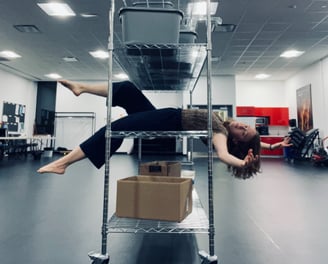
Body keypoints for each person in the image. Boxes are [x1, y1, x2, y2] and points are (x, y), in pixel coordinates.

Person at [37, 80, 291, 179]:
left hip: (166, 121)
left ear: (236, 141)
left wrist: (241, 163)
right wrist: (272, 145)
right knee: (126, 90)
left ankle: (64, 163)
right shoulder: (223, 123)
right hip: (165, 116)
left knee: (116, 128)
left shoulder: (220, 134)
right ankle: (82, 88)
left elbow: (223, 155)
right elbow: (253, 143)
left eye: (244, 132)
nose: (242, 126)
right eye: (246, 126)